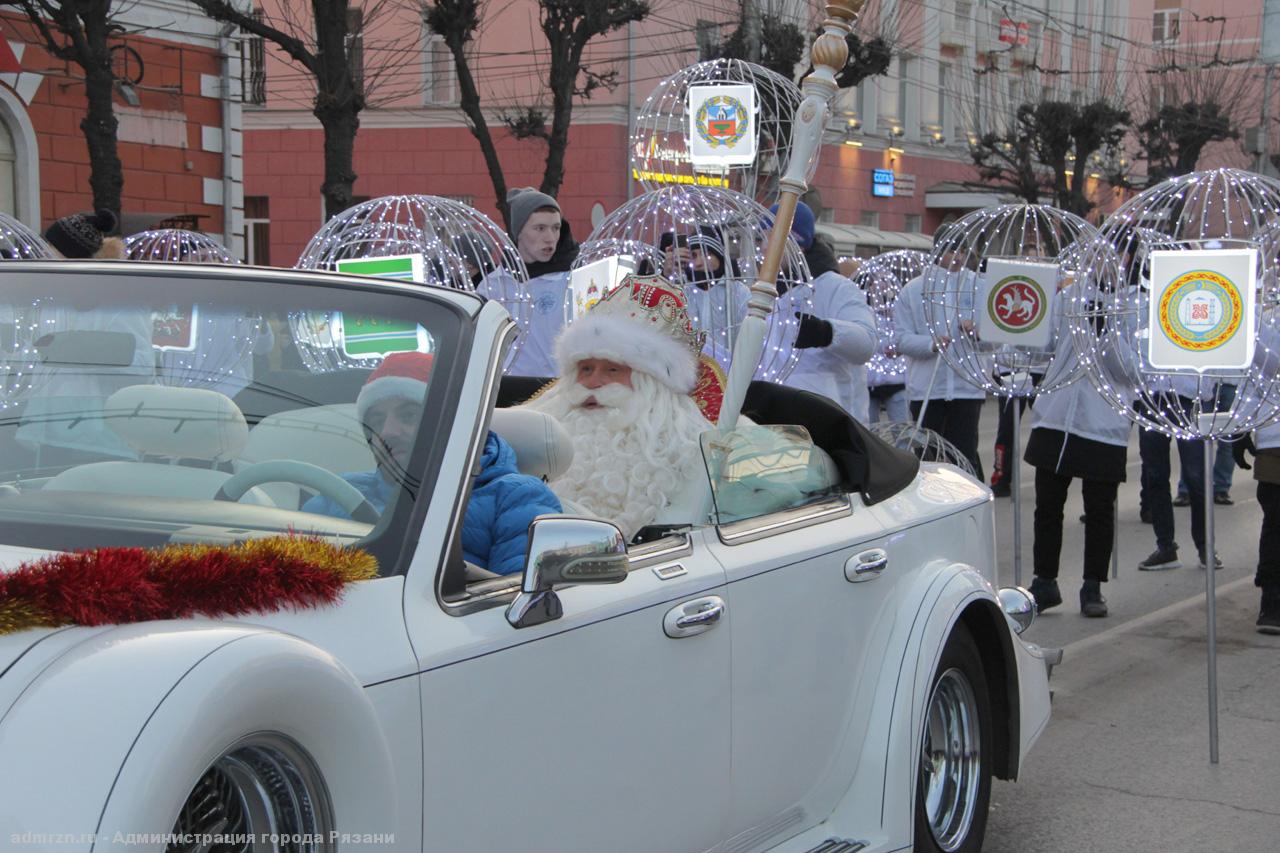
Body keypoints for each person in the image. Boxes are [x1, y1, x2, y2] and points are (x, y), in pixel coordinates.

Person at [303, 352, 562, 575]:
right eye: (377, 420)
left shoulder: (516, 497)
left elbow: (523, 608)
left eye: (409, 415)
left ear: (453, 420)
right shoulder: (335, 495)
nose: (387, 431)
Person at [522, 274, 718, 540]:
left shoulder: (696, 453)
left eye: (613, 369)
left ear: (652, 383)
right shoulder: (524, 442)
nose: (592, 383)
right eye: (586, 368)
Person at [1023, 288, 1133, 618]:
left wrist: (1106, 333)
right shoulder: (1066, 297)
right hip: (1056, 417)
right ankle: (1044, 581)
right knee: (1047, 505)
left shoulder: (1133, 302)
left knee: (1098, 509)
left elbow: (1133, 371)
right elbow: (1042, 346)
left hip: (1103, 422)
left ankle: (1092, 586)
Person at [17, 210, 154, 464]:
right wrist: (31, 425)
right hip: (50, 437)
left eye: (51, 251)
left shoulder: (120, 304)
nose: (46, 257)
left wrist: (77, 347)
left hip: (99, 441)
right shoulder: (54, 302)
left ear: (69, 257)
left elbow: (143, 364)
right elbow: (44, 372)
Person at [771, 202, 878, 422]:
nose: (763, 248)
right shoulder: (768, 293)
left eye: (770, 238)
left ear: (796, 243)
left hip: (831, 421)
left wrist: (826, 332)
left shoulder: (835, 287)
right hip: (779, 420)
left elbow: (866, 343)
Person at [892, 232, 987, 479]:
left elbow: (996, 339)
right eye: (951, 251)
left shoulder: (979, 286)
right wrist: (930, 344)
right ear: (937, 252)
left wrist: (979, 333)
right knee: (928, 455)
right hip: (927, 389)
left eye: (963, 251)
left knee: (965, 454)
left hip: (967, 388)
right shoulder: (914, 290)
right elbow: (901, 338)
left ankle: (970, 502)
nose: (957, 257)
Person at [505, 188, 579, 378]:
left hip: (554, 390)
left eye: (555, 228)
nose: (550, 238)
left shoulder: (571, 280)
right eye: (540, 228)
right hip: (504, 391)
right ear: (518, 232)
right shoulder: (495, 284)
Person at [1235, 422, 1280, 633]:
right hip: (1274, 447)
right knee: (1275, 523)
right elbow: (1250, 391)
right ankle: (1272, 601)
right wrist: (1240, 428)